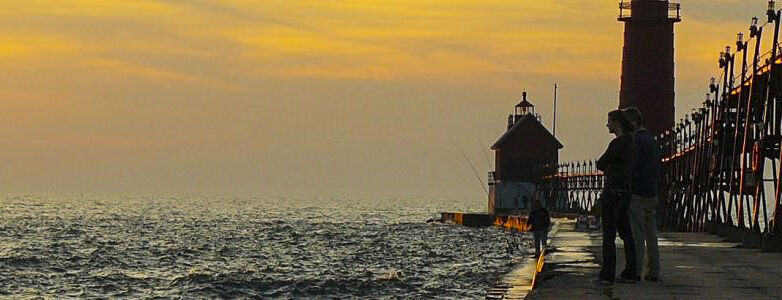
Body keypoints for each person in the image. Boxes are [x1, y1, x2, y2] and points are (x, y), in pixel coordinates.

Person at [596, 109, 639, 284]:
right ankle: (631, 271)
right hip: (625, 191)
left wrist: (608, 167)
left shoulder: (618, 144)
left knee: (608, 234)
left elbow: (601, 163)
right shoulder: (631, 142)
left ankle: (608, 274)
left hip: (613, 191)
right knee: (626, 232)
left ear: (617, 122)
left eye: (609, 121)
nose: (607, 125)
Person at [624, 107, 662, 282]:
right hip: (652, 192)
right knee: (651, 234)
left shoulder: (637, 141)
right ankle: (654, 270)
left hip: (638, 193)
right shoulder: (652, 140)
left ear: (632, 122)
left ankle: (636, 270)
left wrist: (629, 186)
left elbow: (634, 168)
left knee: (637, 234)